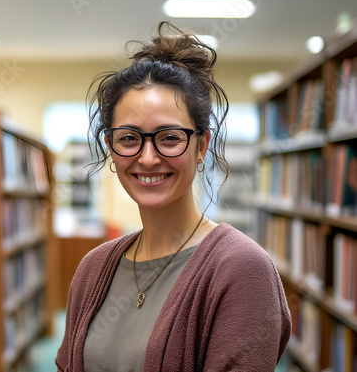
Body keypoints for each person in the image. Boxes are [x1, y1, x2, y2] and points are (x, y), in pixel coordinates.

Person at [56, 21, 291, 372]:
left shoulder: (241, 269)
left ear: (202, 145)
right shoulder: (93, 268)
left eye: (169, 137)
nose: (148, 157)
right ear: (110, 147)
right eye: (129, 138)